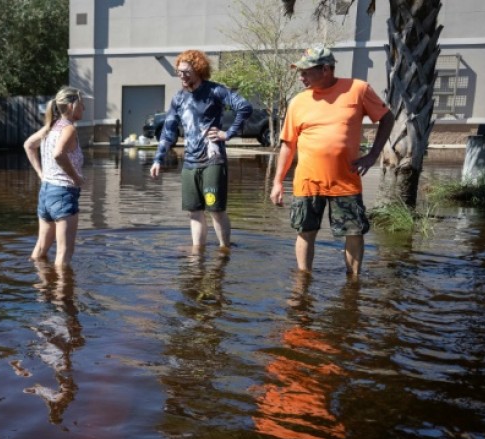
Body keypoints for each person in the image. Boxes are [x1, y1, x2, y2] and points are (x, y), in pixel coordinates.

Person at [270, 47, 395, 276]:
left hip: (345, 180)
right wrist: (278, 182)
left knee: (354, 231)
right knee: (305, 231)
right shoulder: (298, 102)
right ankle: (303, 280)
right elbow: (288, 144)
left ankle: (353, 282)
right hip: (307, 182)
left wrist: (373, 154)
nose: (301, 77)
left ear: (326, 69)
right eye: (300, 72)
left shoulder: (357, 89)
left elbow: (387, 117)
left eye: (306, 71)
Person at [150, 49, 252, 254]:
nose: (182, 75)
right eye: (179, 72)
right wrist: (158, 159)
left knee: (216, 210)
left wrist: (228, 134)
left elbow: (244, 107)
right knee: (194, 211)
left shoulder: (215, 91)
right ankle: (198, 252)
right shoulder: (178, 98)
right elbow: (169, 130)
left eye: (186, 71)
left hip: (212, 160)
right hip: (190, 162)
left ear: (198, 70)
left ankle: (225, 251)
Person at [23, 86, 86, 267]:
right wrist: (75, 178)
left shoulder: (50, 127)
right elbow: (59, 154)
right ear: (72, 105)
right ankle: (63, 296)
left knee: (40, 249)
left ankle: (41, 293)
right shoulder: (69, 129)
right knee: (64, 255)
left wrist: (41, 174)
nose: (84, 109)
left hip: (46, 192)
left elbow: (28, 145)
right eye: (82, 105)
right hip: (64, 194)